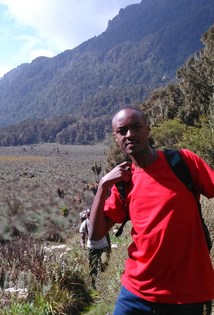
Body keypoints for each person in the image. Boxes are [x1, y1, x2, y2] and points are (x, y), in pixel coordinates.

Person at [89, 105, 214, 314]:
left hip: (188, 294)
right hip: (135, 293)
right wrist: (103, 186)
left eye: (136, 127)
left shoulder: (183, 162)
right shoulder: (124, 182)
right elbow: (95, 235)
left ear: (148, 129)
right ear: (116, 137)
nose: (129, 134)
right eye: (122, 131)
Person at [79, 207, 110, 289]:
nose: (89, 217)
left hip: (103, 246)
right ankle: (93, 285)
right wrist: (82, 244)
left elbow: (107, 234)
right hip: (92, 248)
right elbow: (82, 237)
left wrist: (109, 246)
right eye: (88, 215)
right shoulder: (85, 224)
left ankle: (105, 284)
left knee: (105, 264)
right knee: (93, 267)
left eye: (91, 215)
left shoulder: (101, 221)